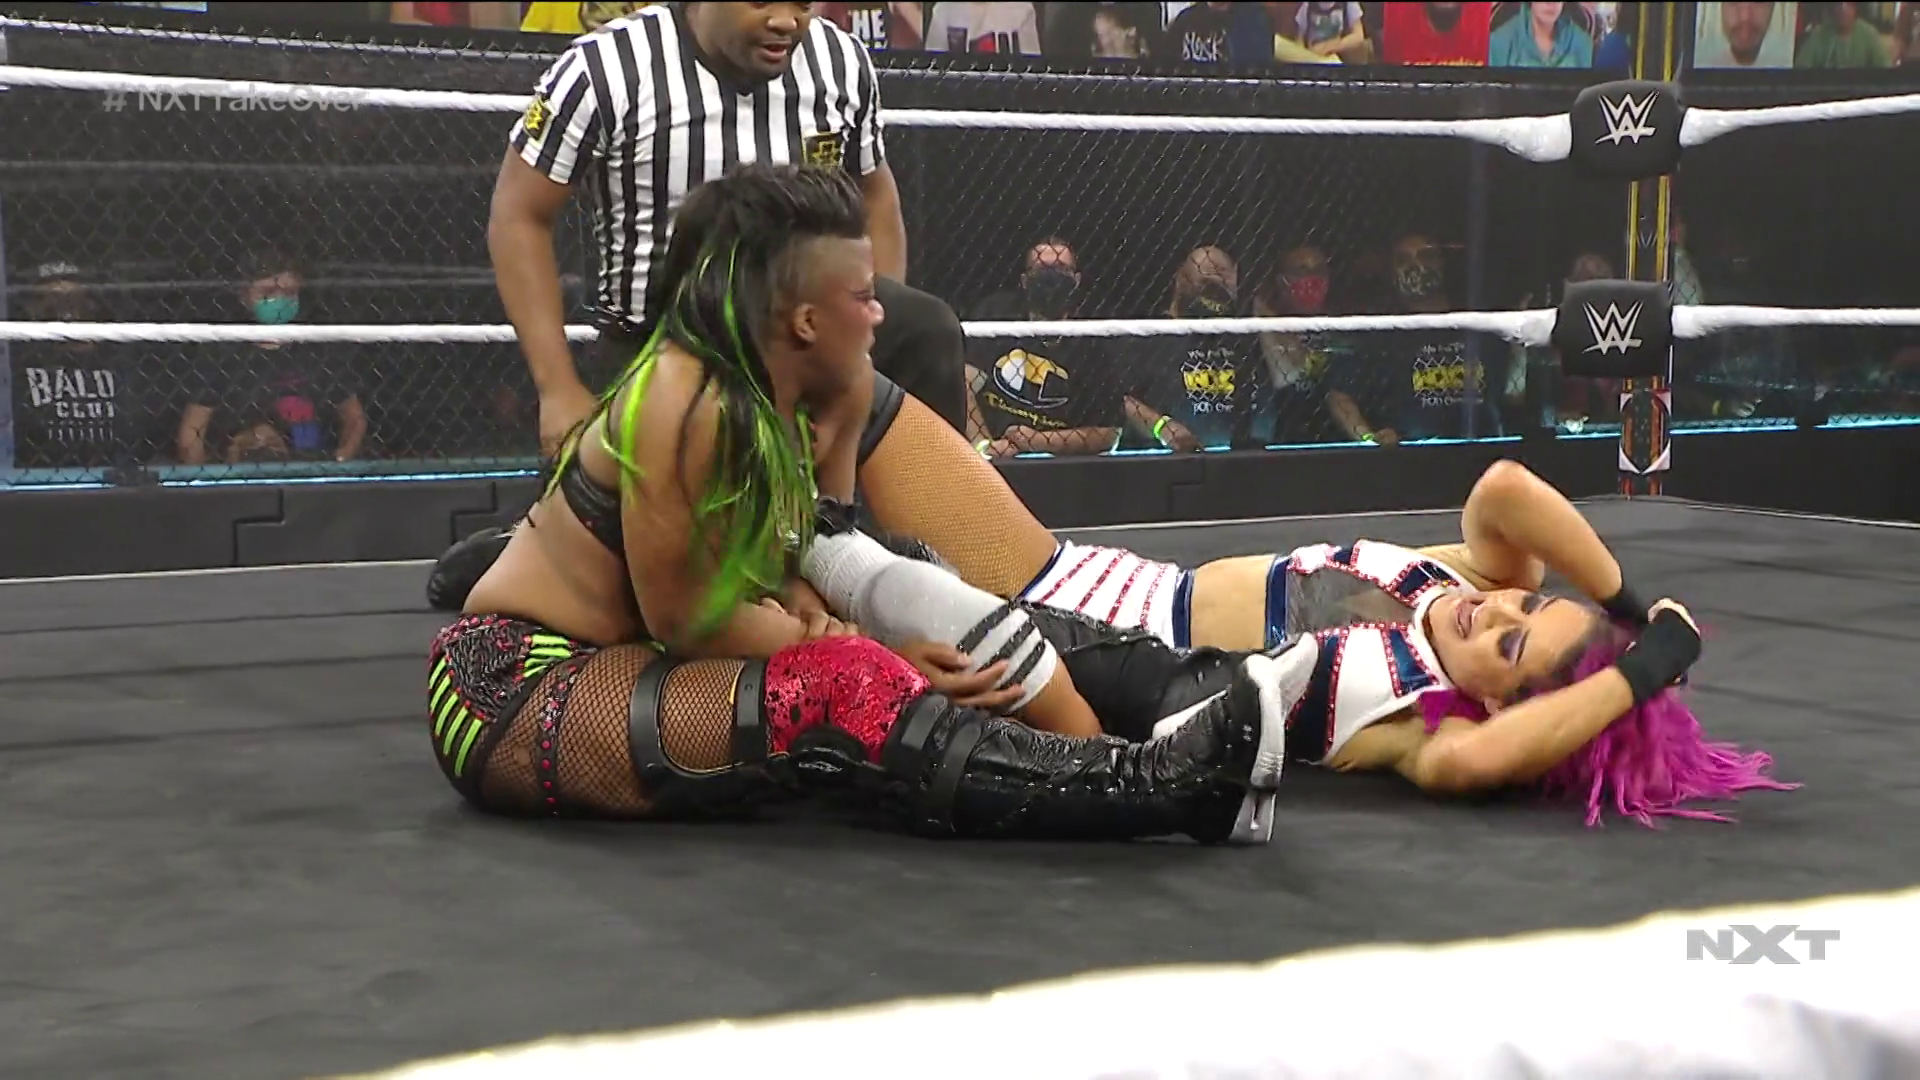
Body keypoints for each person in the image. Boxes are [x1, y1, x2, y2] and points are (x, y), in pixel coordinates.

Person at [428, 162, 1298, 845]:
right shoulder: (682, 399)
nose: (883, 314)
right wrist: (876, 653)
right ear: (805, 321)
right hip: (518, 685)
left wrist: (868, 621)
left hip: (644, 649)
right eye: (863, 296)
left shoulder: (797, 392)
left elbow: (804, 561)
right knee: (849, 684)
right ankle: (1160, 787)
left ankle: (1199, 690)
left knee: (919, 586)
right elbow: (691, 621)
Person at [841, 453, 1796, 826]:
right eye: (1523, 606)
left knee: (835, 569)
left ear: (1497, 701)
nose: (1500, 613)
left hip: (1077, 657)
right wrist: (1631, 604)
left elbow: (1479, 764)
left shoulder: (1423, 725)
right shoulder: (1465, 584)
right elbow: (1506, 489)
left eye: (1511, 647)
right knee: (866, 397)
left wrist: (1647, 669)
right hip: (1090, 570)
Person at [427, 1, 970, 610]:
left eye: (802, 2)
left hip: (800, 339)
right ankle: (549, 533)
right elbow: (519, 213)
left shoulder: (839, 62)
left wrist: (858, 319)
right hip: (663, 346)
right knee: (657, 583)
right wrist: (557, 388)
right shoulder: (607, 66)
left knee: (923, 328)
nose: (787, 21)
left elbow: (875, 194)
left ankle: (926, 551)